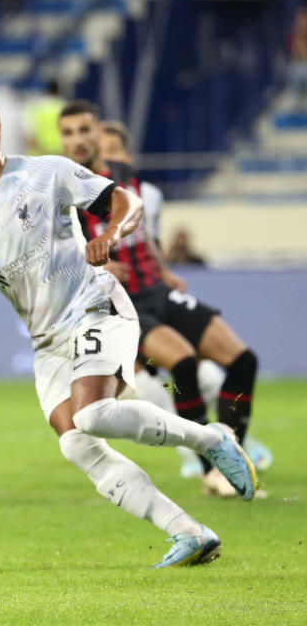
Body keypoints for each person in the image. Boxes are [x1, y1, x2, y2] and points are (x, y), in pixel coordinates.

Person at [0, 87, 256, 567]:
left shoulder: (45, 172)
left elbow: (126, 203)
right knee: (78, 444)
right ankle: (189, 531)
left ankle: (212, 439)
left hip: (95, 305)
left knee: (93, 415)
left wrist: (109, 234)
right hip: (48, 341)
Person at [58, 100, 266, 497]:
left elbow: (143, 232)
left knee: (243, 361)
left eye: (86, 131)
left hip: (157, 288)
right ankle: (211, 471)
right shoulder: (66, 193)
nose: (79, 140)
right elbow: (55, 258)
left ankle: (232, 451)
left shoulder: (122, 176)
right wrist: (93, 269)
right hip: (123, 305)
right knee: (184, 366)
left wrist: (164, 269)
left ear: (99, 132)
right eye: (69, 133)